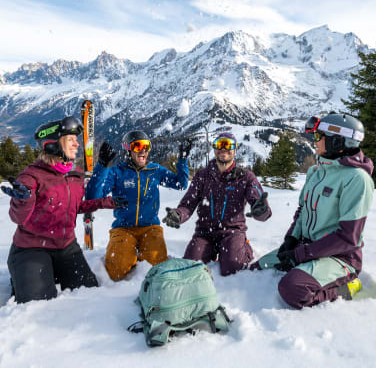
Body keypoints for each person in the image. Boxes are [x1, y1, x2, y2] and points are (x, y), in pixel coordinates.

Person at [251, 113, 374, 309]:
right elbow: (302, 211)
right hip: (307, 248)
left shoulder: (357, 179)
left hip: (339, 257)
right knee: (258, 268)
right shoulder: (316, 172)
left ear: (336, 141)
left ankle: (349, 287)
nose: (314, 141)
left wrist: (300, 255)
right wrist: (290, 241)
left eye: (319, 137)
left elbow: (348, 238)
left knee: (293, 289)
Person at [2, 116, 125, 304]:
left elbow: (74, 207)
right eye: (70, 139)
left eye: (76, 139)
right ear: (52, 145)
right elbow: (18, 218)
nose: (77, 144)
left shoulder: (74, 175)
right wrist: (23, 200)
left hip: (66, 247)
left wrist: (105, 203)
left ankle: (49, 273)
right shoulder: (31, 176)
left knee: (90, 295)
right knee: (38, 304)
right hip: (31, 249)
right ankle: (22, 274)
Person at [163, 132, 272, 276]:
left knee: (232, 268)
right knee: (190, 266)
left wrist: (261, 210)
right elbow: (188, 204)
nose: (223, 149)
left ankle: (243, 247)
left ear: (234, 149)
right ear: (214, 148)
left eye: (228, 145)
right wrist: (178, 214)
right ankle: (215, 250)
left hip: (232, 231)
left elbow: (258, 203)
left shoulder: (245, 177)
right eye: (219, 144)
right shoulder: (202, 175)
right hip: (205, 233)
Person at [86, 130, 190, 280]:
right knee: (116, 271)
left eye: (146, 146)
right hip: (123, 228)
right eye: (137, 146)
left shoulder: (155, 170)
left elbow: (181, 184)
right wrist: (102, 165)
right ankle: (128, 251)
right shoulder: (117, 172)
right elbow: (93, 197)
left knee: (156, 268)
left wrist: (183, 159)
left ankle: (140, 251)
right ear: (128, 149)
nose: (143, 150)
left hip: (150, 227)